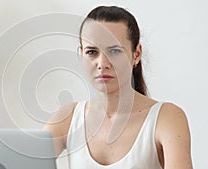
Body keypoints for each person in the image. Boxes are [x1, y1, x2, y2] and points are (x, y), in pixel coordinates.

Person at [44, 6, 193, 169]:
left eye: (114, 51)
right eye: (92, 52)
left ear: (136, 54)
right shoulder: (68, 118)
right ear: (81, 54)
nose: (102, 64)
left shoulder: (166, 118)